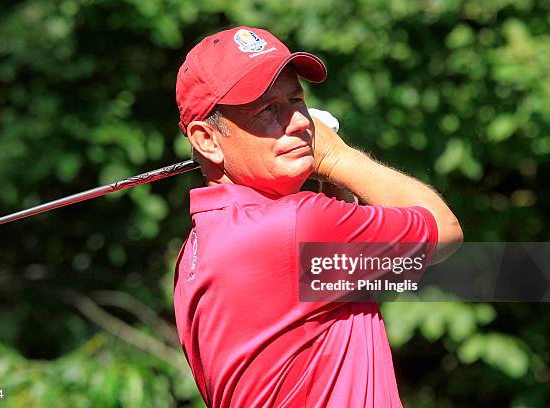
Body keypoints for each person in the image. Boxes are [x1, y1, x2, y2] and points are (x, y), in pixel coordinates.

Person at [173, 26, 462, 407]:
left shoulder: (194, 252)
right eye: (266, 111)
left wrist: (331, 188)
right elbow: (444, 230)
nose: (299, 123)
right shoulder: (295, 225)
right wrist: (334, 158)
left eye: (296, 101)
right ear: (207, 140)